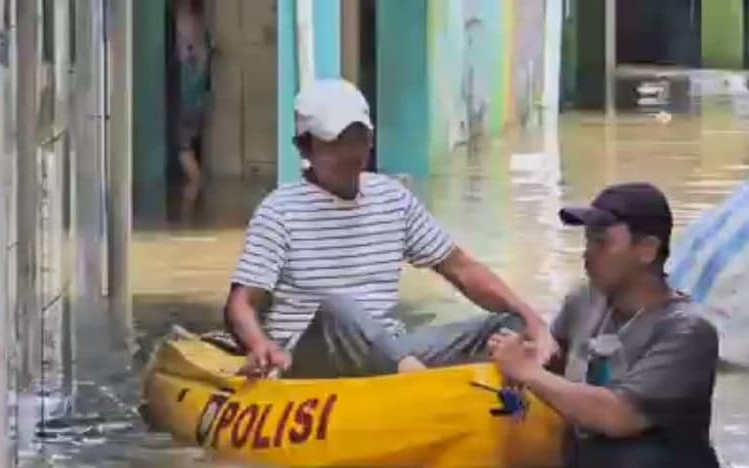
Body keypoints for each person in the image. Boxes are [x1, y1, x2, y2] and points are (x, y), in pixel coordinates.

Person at [225, 78, 556, 379]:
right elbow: (241, 304)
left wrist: (532, 319)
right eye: (335, 142)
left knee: (508, 325)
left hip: (393, 350)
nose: (350, 154)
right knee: (338, 310)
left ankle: (416, 376)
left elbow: (462, 269)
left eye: (357, 140)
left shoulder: (392, 198)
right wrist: (260, 344)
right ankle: (418, 384)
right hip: (312, 360)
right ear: (305, 148)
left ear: (370, 139)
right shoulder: (280, 210)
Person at [488, 182, 721, 468]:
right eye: (587, 242)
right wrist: (530, 357)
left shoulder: (687, 331)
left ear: (647, 249)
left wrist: (528, 371)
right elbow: (553, 368)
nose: (587, 255)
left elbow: (618, 416)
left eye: (601, 242)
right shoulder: (582, 302)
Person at [175, 0, 211, 209]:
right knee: (186, 143)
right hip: (195, 93)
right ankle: (196, 187)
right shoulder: (198, 26)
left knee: (183, 145)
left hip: (191, 93)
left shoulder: (190, 28)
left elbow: (190, 53)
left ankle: (196, 184)